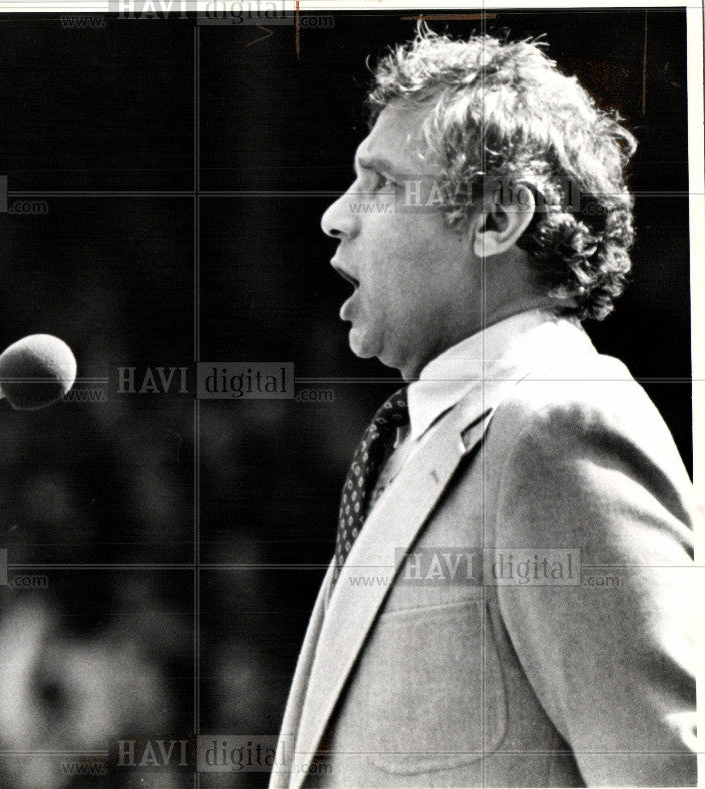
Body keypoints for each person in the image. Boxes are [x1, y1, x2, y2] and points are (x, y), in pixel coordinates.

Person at [270, 28, 697, 788]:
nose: (337, 215)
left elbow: (665, 771)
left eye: (381, 184)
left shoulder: (560, 428)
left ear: (497, 219)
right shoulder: (428, 433)